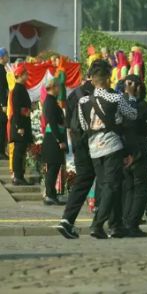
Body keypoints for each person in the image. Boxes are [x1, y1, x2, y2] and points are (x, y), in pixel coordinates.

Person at [77, 61, 138, 239]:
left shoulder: (83, 101)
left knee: (108, 185)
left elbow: (83, 125)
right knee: (112, 185)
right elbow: (132, 114)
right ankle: (97, 224)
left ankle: (116, 224)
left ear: (93, 80)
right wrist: (131, 95)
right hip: (112, 145)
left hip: (94, 148)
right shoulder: (116, 98)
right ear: (108, 79)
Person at [56, 60, 99, 239]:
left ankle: (68, 220)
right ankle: (104, 223)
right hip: (92, 141)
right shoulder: (95, 93)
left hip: (77, 141)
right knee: (106, 179)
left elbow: (68, 123)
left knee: (83, 180)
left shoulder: (74, 94)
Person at [122, 76, 147, 237]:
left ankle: (125, 221)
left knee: (127, 188)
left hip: (123, 150)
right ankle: (132, 224)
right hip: (139, 149)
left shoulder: (119, 104)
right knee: (141, 188)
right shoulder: (142, 106)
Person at [41, 77, 67, 205]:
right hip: (53, 139)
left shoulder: (51, 101)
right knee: (53, 167)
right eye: (57, 87)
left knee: (54, 167)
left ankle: (51, 193)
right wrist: (59, 140)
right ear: (53, 87)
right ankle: (50, 195)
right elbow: (53, 123)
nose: (59, 89)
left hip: (53, 138)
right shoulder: (50, 102)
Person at [9, 62, 32, 186]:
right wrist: (19, 127)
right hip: (20, 125)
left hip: (23, 122)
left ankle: (20, 175)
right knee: (18, 152)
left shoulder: (22, 88)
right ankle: (17, 176)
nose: (27, 76)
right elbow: (17, 109)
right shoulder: (17, 90)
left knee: (21, 151)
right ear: (20, 75)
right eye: (25, 74)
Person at [0, 48, 9, 160]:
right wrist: (3, 103)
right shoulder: (1, 70)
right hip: (2, 104)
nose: (8, 57)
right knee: (2, 126)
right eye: (6, 55)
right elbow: (1, 88)